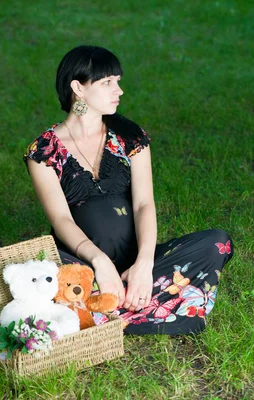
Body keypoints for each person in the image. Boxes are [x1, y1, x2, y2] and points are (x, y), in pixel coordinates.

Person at [24, 45, 233, 335]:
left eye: (118, 81)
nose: (118, 90)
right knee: (45, 276)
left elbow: (143, 204)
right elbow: (61, 220)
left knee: (216, 242)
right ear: (78, 88)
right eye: (107, 82)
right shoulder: (44, 151)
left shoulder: (130, 137)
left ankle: (109, 309)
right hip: (83, 267)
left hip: (135, 263)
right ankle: (148, 308)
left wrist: (145, 265)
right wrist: (99, 263)